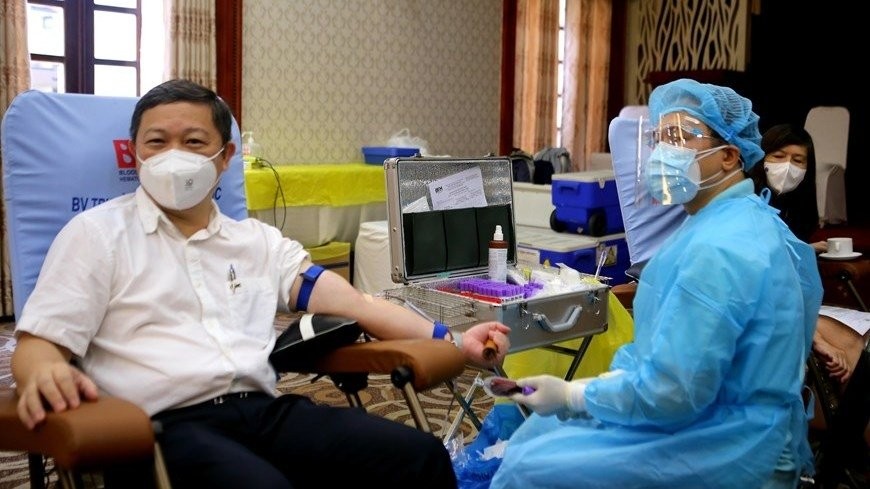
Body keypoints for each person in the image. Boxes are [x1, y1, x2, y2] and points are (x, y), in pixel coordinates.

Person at [11, 79, 511, 489]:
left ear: (225, 156)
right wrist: (40, 373)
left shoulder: (257, 242)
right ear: (135, 154)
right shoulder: (96, 235)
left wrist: (453, 340)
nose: (172, 156)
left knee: (416, 457)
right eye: (156, 143)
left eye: (193, 142)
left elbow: (357, 304)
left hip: (262, 409)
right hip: (161, 427)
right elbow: (38, 344)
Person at [490, 78, 823, 489]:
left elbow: (672, 392)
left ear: (729, 156)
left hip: (726, 445)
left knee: (529, 467)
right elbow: (669, 363)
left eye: (683, 135)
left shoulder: (719, 249)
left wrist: (575, 397)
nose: (666, 150)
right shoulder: (735, 221)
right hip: (723, 419)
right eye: (661, 136)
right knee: (537, 437)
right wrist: (585, 390)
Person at [749, 123, 825, 252]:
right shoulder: (746, 197)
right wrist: (802, 249)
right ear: (762, 158)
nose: (787, 166)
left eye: (798, 160)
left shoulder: (802, 202)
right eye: (778, 156)